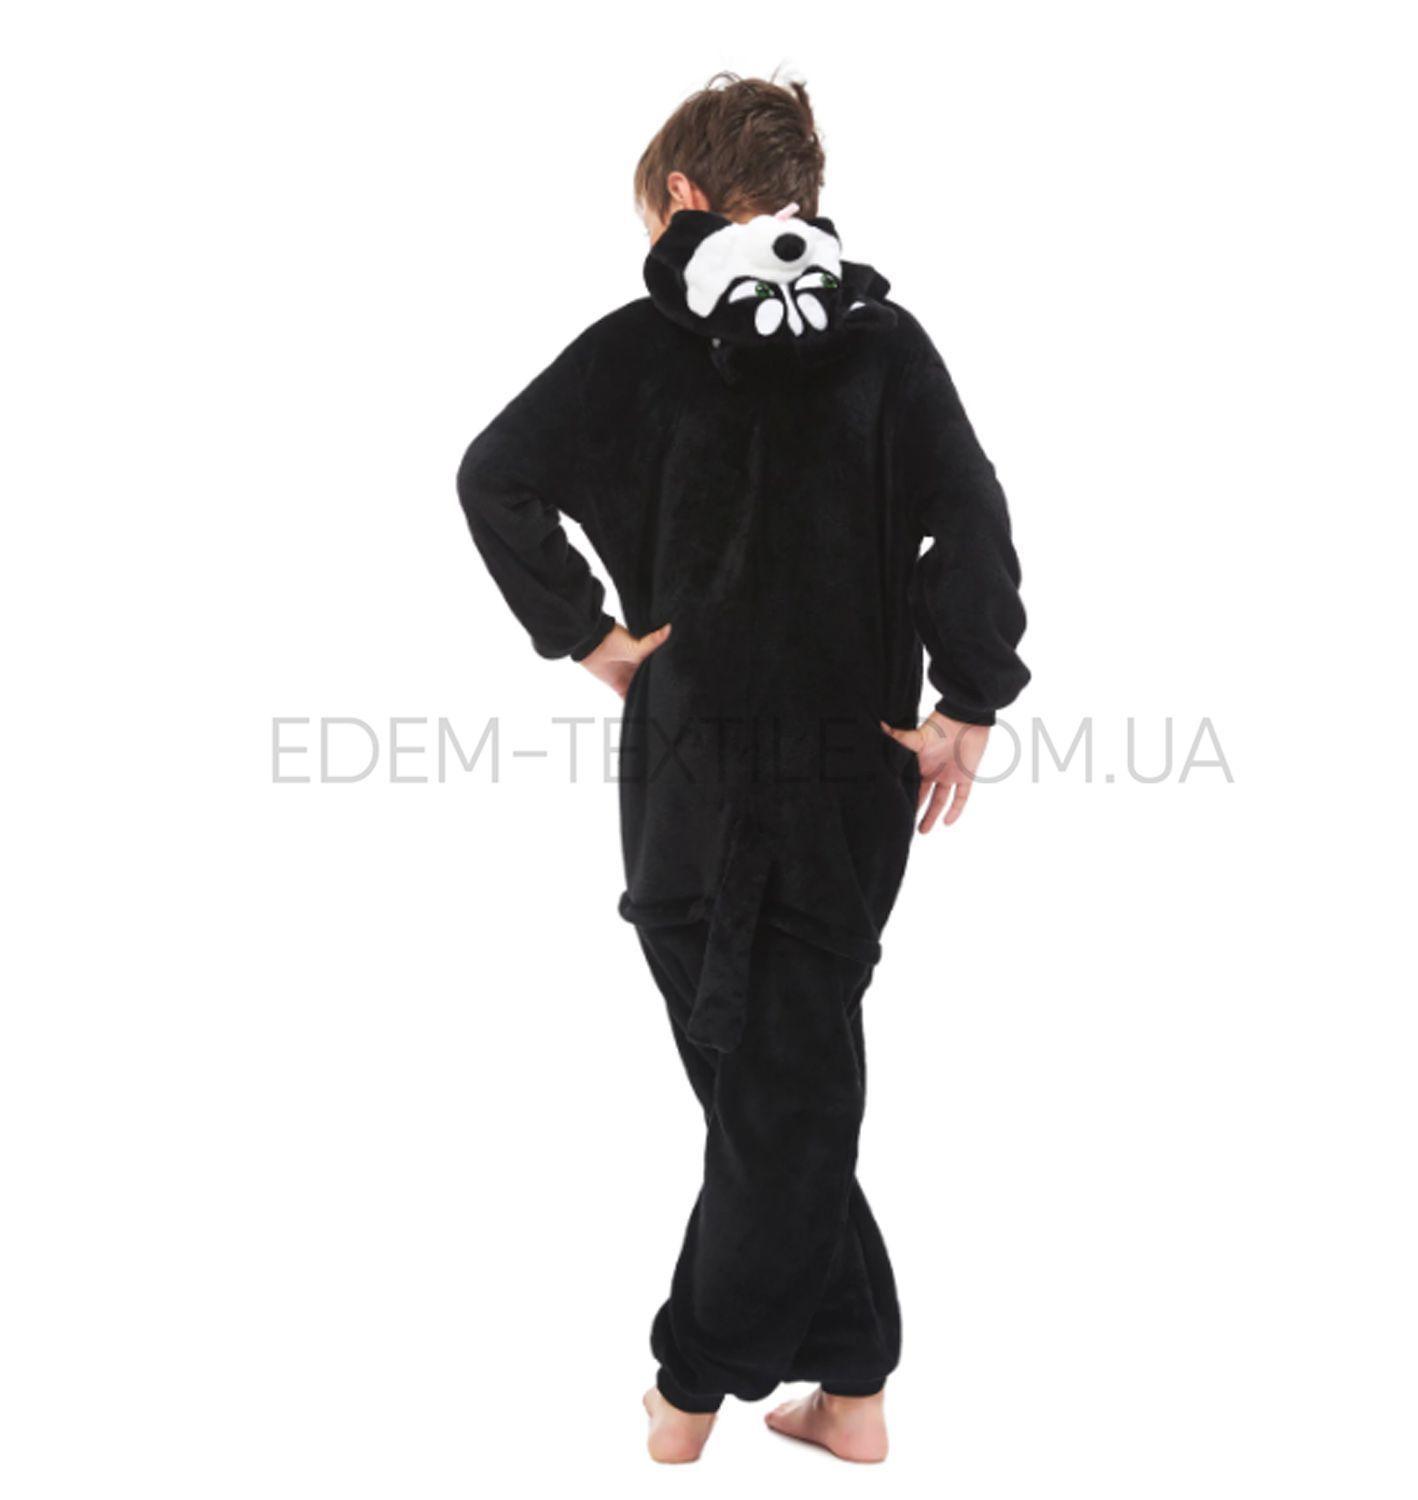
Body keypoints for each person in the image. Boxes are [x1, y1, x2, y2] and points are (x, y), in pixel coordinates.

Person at [456, 73, 1029, 1464]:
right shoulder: (889, 346)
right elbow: (970, 515)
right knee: (784, 1086)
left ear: (684, 198)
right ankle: (853, 1393)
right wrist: (969, 699)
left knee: (776, 1095)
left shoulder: (636, 350)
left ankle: (688, 1393)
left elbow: (492, 475)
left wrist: (590, 637)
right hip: (850, 788)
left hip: (692, 782)